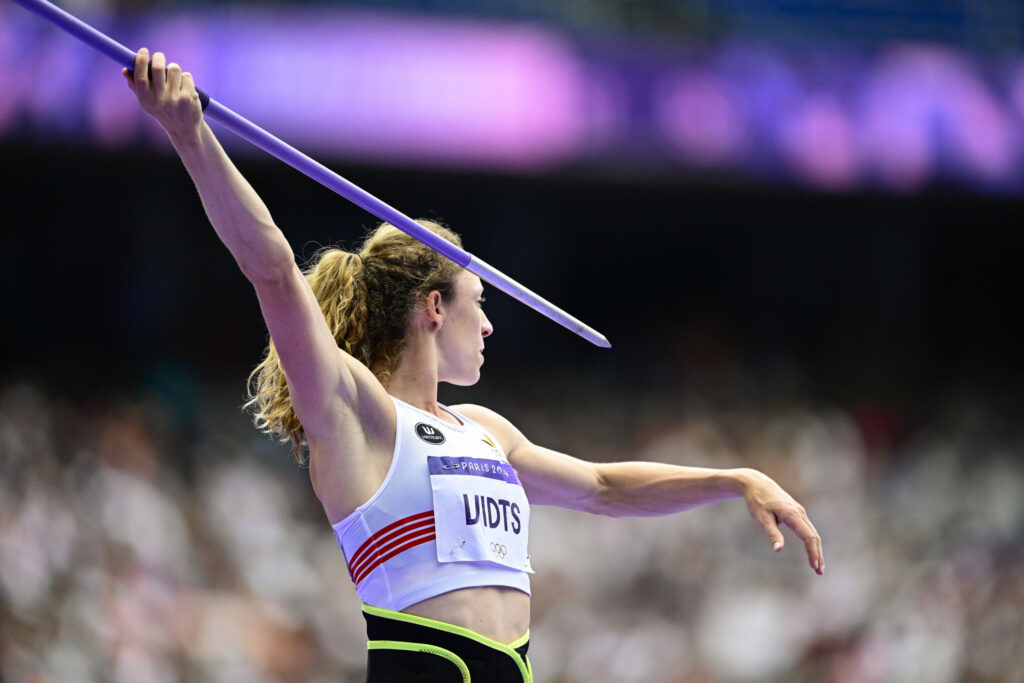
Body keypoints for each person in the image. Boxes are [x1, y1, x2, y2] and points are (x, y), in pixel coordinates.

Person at [123, 48, 825, 682]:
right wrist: (190, 135)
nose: (488, 325)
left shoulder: (485, 430)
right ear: (434, 307)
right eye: (477, 303)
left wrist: (735, 479)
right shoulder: (358, 413)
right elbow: (275, 270)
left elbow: (605, 487)